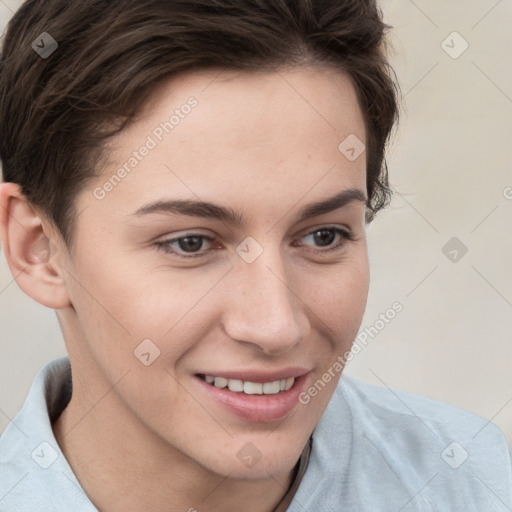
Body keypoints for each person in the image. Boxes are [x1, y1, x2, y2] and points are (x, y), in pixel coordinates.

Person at [0, 0, 510, 510]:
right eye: (190, 243)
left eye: (323, 236)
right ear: (37, 250)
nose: (276, 326)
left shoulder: (473, 482)